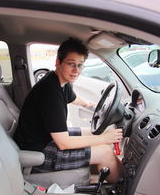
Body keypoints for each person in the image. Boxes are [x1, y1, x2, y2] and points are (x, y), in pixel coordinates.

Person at [14, 37, 123, 183]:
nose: (76, 71)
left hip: (46, 139)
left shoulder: (59, 81)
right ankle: (121, 194)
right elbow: (63, 143)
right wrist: (104, 139)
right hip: (38, 153)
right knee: (105, 151)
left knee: (96, 131)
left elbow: (73, 98)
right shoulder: (50, 92)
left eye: (80, 65)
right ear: (58, 63)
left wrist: (91, 105)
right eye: (71, 64)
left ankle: (106, 174)